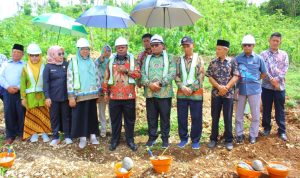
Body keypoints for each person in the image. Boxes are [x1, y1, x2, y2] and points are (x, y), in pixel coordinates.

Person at [102, 37, 140, 151]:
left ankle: (130, 140)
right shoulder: (111, 60)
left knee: (130, 120)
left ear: (127, 48)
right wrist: (105, 92)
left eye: (123, 47)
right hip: (114, 96)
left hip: (129, 96)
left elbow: (138, 75)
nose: (121, 49)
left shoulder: (133, 60)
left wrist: (127, 71)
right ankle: (115, 140)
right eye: (118, 48)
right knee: (115, 120)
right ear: (116, 49)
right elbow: (106, 77)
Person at [141, 34, 176, 148]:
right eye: (152, 45)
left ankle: (165, 139)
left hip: (164, 93)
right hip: (150, 93)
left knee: (165, 117)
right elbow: (142, 74)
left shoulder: (169, 57)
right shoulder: (147, 59)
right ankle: (152, 137)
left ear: (163, 45)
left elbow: (172, 73)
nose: (154, 47)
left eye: (157, 45)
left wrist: (160, 83)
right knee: (151, 117)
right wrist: (149, 84)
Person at [206, 40, 239, 150]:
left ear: (226, 50)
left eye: (219, 49)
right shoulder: (213, 62)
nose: (217, 51)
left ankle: (228, 139)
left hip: (228, 95)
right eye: (216, 48)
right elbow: (209, 76)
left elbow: (235, 76)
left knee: (228, 117)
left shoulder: (233, 61)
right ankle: (213, 139)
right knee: (215, 117)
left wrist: (226, 88)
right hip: (216, 94)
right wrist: (219, 87)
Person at [67, 38, 100, 149]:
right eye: (83, 49)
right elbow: (70, 79)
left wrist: (99, 92)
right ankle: (82, 137)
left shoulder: (92, 61)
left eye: (87, 49)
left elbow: (97, 77)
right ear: (78, 50)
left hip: (92, 94)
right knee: (80, 116)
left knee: (92, 115)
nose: (85, 51)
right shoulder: (73, 62)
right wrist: (71, 96)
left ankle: (93, 135)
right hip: (79, 95)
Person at [235, 35, 267, 144]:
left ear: (253, 46)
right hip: (241, 89)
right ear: (242, 46)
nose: (247, 47)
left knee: (255, 114)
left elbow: (264, 73)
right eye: (245, 45)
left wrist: (256, 80)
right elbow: (233, 73)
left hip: (255, 90)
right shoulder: (237, 58)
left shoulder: (259, 59)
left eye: (249, 45)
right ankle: (239, 134)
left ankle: (253, 135)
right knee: (239, 114)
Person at [175, 36, 205, 150]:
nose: (186, 48)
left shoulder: (199, 59)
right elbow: (176, 75)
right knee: (182, 117)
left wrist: (191, 88)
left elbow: (201, 76)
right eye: (184, 46)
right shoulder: (179, 60)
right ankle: (183, 138)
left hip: (195, 94)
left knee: (196, 117)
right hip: (182, 94)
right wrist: (182, 87)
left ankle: (195, 140)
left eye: (188, 46)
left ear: (193, 45)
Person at [260, 32, 289, 141]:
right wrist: (271, 80)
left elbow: (285, 68)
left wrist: (277, 80)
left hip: (279, 87)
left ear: (280, 42)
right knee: (266, 108)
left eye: (277, 41)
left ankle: (281, 130)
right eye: (274, 40)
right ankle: (266, 128)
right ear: (269, 40)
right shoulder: (263, 54)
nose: (275, 42)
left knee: (280, 109)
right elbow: (263, 69)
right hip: (267, 86)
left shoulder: (284, 54)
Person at [20, 43, 51, 142]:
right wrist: (23, 97)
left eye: (36, 55)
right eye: (32, 55)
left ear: (40, 55)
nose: (34, 57)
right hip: (30, 97)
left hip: (42, 95)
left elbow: (48, 81)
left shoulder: (44, 66)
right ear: (29, 56)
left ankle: (44, 133)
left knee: (43, 114)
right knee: (32, 115)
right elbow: (23, 83)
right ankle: (33, 133)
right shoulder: (25, 67)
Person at [44, 45, 72, 146]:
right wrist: (47, 97)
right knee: (54, 117)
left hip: (65, 97)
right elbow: (46, 83)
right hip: (53, 98)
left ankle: (67, 136)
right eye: (59, 54)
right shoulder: (48, 66)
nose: (61, 55)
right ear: (52, 54)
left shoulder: (66, 64)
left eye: (62, 54)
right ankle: (55, 137)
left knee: (66, 116)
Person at [0, 44, 26, 144]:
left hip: (20, 92)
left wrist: (18, 87)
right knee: (9, 112)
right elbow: (1, 77)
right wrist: (8, 87)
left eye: (18, 52)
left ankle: (21, 133)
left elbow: (26, 78)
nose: (16, 54)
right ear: (11, 52)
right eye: (14, 52)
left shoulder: (24, 65)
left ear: (22, 54)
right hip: (7, 92)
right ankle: (10, 135)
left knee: (20, 112)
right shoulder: (5, 64)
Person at [95, 45, 112, 138]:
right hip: (101, 90)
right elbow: (95, 65)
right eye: (105, 51)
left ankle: (113, 129)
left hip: (111, 90)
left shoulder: (113, 60)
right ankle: (103, 130)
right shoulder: (98, 61)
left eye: (109, 51)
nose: (107, 52)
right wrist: (102, 57)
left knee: (112, 111)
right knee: (101, 111)